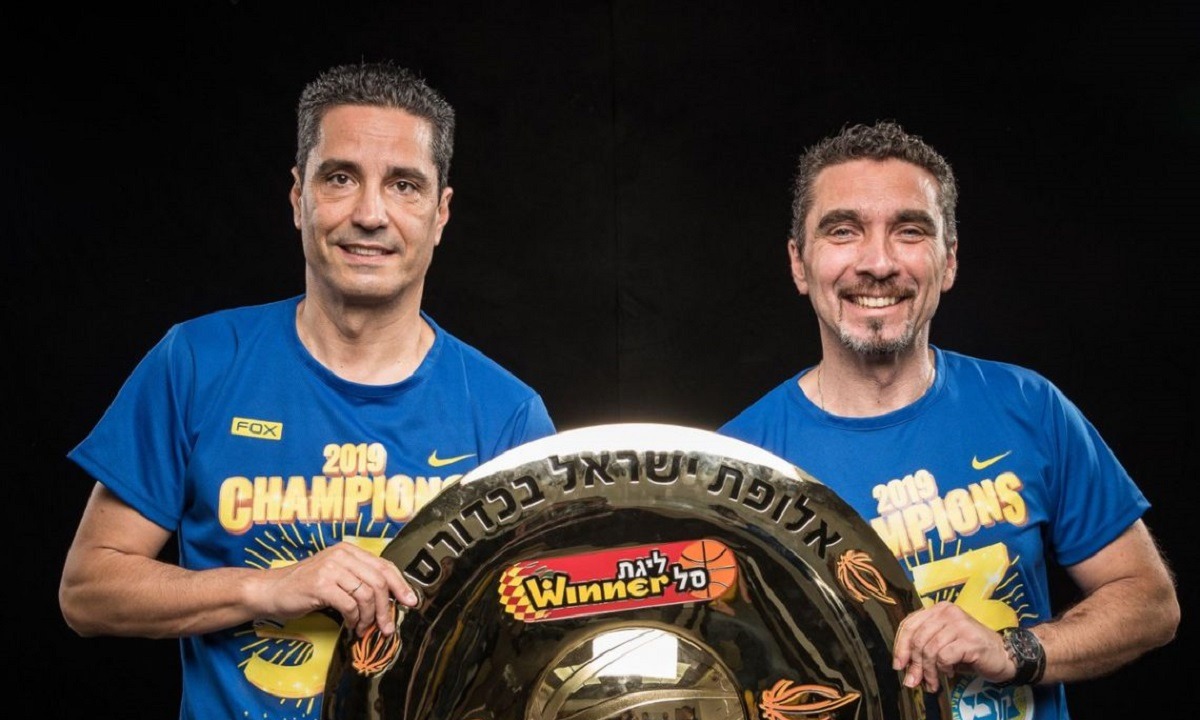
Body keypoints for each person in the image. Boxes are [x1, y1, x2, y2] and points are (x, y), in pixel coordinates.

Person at [59, 61, 556, 720]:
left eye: (404, 185)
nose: (370, 214)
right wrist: (267, 588)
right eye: (340, 178)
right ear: (298, 198)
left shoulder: (506, 414)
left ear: (440, 213)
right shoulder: (198, 363)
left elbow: (538, 638)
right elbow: (88, 591)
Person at [718, 120, 1179, 719]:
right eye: (843, 231)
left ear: (950, 260)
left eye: (910, 231)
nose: (878, 262)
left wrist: (1014, 650)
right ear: (800, 264)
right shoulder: (737, 464)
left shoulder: (1028, 406)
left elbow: (1150, 602)